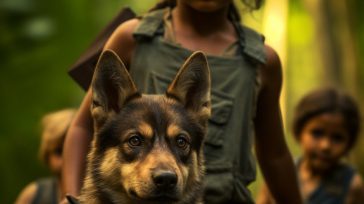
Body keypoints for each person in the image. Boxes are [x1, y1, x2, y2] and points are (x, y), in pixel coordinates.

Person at [62, 0, 303, 203]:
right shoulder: (133, 36)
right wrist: (70, 197)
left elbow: (275, 156)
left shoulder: (261, 60)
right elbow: (84, 126)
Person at [256, 88, 364, 204]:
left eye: (337, 138)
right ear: (299, 132)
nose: (325, 146)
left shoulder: (352, 185)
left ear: (349, 143)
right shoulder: (279, 175)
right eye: (317, 133)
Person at [15, 109, 76, 204]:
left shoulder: (97, 193)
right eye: (59, 151)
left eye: (72, 150)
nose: (66, 158)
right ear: (47, 155)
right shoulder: (33, 195)